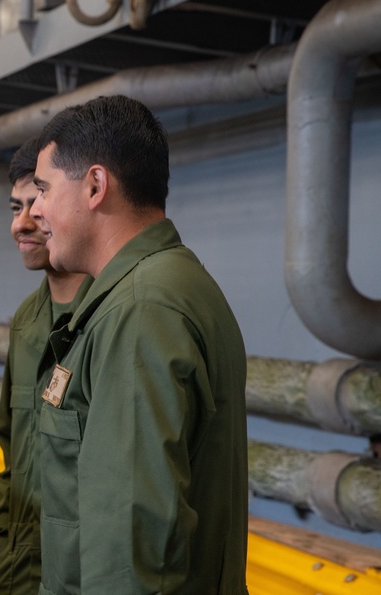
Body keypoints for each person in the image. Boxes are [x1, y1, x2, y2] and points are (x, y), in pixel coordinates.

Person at [29, 95, 248, 594]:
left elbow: (130, 547)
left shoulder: (140, 311)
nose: (36, 210)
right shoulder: (165, 286)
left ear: (95, 186)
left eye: (43, 189)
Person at [0, 138, 88, 594]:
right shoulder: (27, 321)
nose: (22, 224)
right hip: (21, 567)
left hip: (80, 572)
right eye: (16, 208)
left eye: (37, 203)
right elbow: (12, 454)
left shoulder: (108, 318)